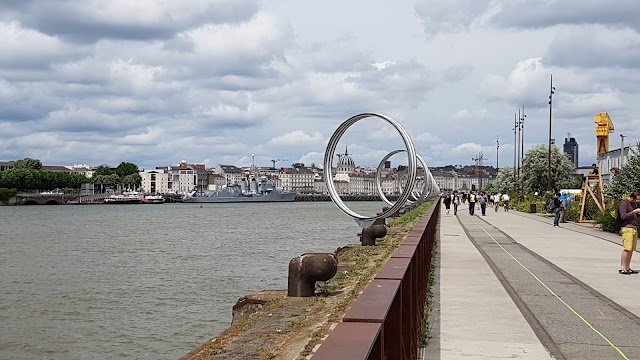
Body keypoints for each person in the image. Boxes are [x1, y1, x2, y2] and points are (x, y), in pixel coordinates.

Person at [618, 193, 640, 275]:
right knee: (627, 248)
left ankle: (628, 267)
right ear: (632, 198)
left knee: (631, 249)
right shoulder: (624, 203)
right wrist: (634, 212)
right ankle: (622, 267)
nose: (636, 202)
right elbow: (623, 216)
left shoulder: (634, 204)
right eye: (636, 200)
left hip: (634, 228)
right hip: (627, 228)